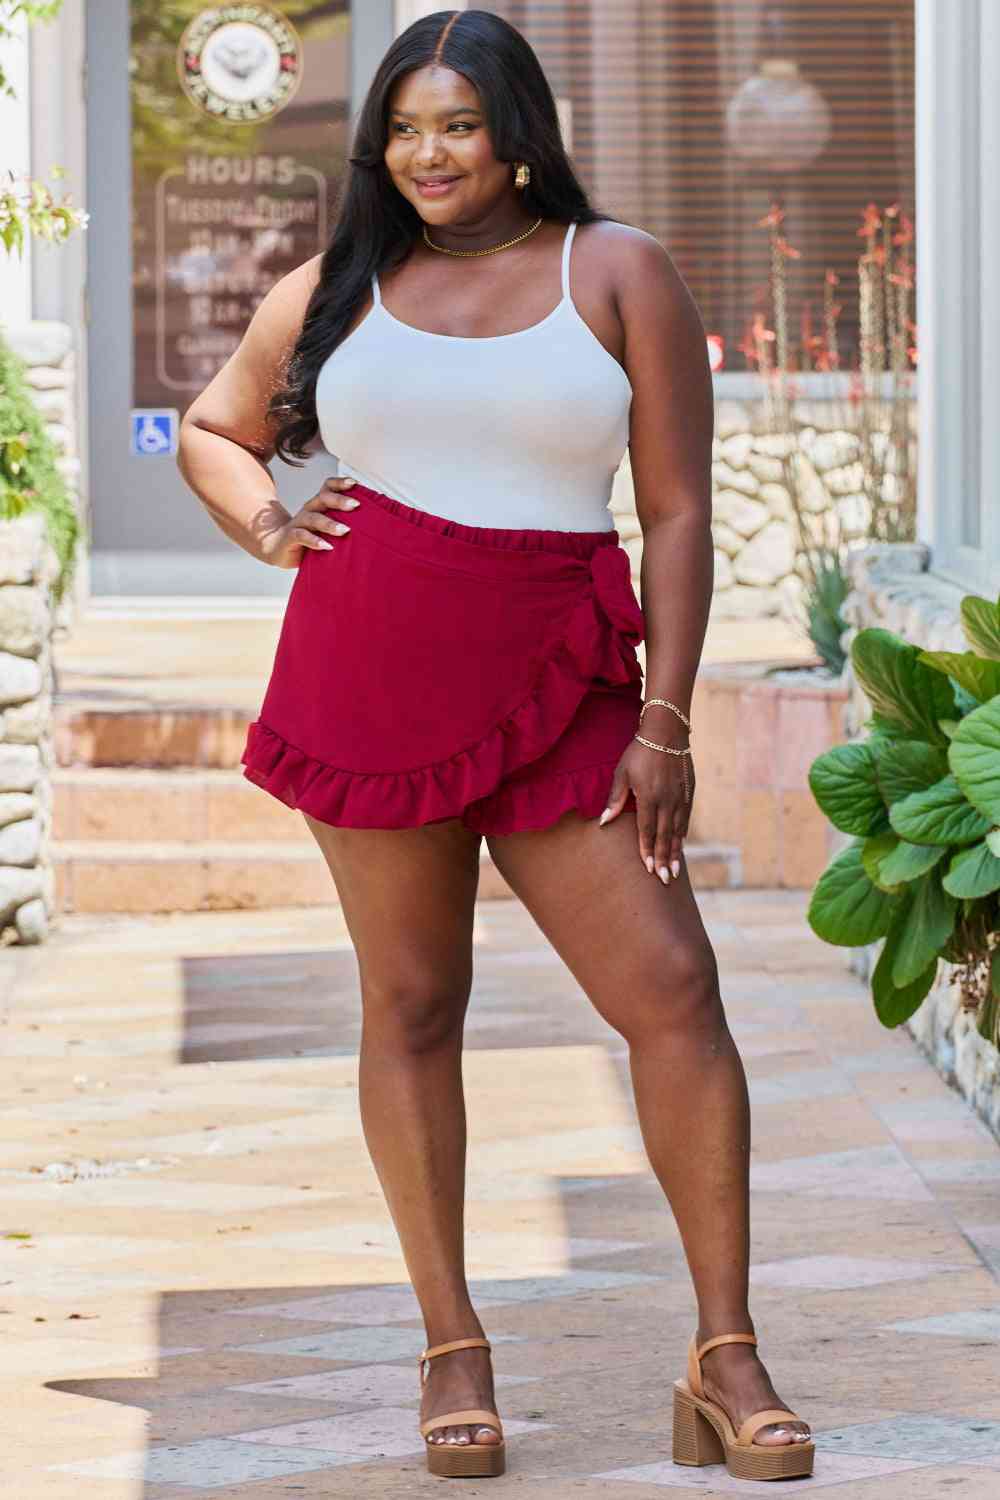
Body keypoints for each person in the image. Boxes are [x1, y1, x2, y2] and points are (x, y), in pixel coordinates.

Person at [177, 7, 813, 1483]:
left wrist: (665, 718)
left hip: (562, 677)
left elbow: (677, 513)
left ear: (518, 134)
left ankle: (724, 1352)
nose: (429, 154)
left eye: (457, 124)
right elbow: (215, 425)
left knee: (672, 989)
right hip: (366, 672)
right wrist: (271, 522)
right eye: (404, 129)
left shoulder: (617, 271)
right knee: (413, 1003)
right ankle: (451, 1345)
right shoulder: (341, 284)